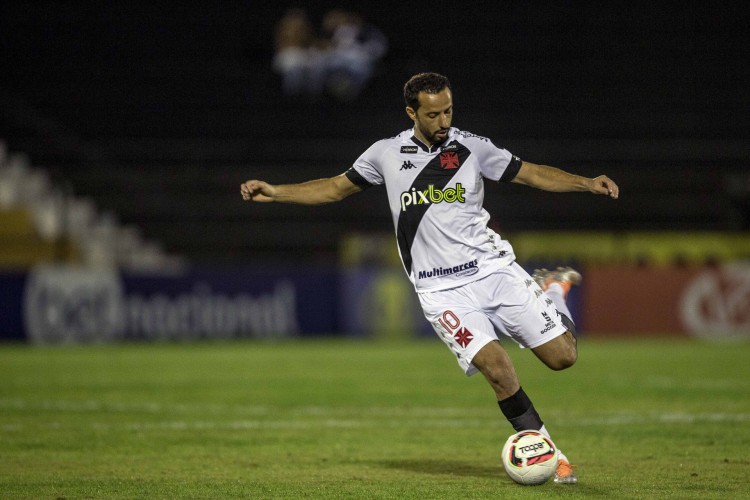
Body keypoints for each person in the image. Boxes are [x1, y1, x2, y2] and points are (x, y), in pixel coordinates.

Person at [241, 72, 619, 484]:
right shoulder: (385, 154)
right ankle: (550, 454)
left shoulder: (472, 147)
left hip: (492, 270)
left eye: (449, 112)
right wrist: (276, 191)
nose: (443, 122)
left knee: (563, 358)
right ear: (412, 112)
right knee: (497, 369)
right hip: (441, 291)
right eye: (434, 114)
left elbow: (530, 173)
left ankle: (553, 291)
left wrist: (586, 183)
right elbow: (333, 188)